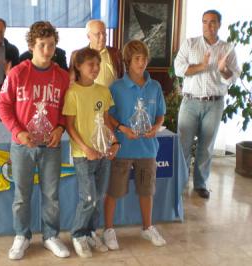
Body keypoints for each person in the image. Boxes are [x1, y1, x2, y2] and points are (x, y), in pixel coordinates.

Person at [0, 21, 70, 260]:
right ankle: (22, 235)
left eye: (51, 45)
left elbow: (69, 109)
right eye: (41, 45)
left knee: (51, 195)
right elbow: (3, 105)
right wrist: (18, 132)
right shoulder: (18, 72)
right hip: (22, 145)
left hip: (51, 146)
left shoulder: (62, 76)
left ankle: (50, 236)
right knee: (22, 195)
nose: (47, 51)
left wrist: (60, 128)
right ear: (31, 45)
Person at [103, 40, 167, 249]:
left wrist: (156, 128)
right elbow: (108, 117)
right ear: (128, 62)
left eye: (144, 58)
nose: (141, 63)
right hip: (122, 148)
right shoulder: (117, 87)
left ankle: (147, 227)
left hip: (147, 149)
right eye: (137, 59)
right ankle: (109, 230)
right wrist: (122, 128)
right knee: (114, 191)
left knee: (146, 190)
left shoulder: (155, 86)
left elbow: (160, 115)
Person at [174, 10, 240, 199]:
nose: (208, 26)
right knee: (183, 145)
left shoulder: (227, 48)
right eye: (204, 22)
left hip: (214, 104)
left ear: (219, 24)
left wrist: (224, 69)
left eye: (212, 22)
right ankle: (179, 183)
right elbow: (178, 69)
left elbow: (232, 78)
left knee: (207, 146)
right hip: (190, 102)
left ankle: (200, 184)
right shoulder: (190, 44)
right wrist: (202, 66)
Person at [62, 47, 119, 258]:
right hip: (83, 155)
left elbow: (106, 120)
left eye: (98, 64)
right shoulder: (73, 93)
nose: (95, 69)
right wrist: (86, 148)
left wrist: (114, 143)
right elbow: (69, 126)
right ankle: (78, 234)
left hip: (103, 154)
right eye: (90, 65)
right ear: (78, 66)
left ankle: (92, 232)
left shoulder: (103, 91)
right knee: (88, 198)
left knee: (100, 196)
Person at [71, 19, 124, 87]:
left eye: (104, 33)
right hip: (86, 96)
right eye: (98, 34)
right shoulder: (77, 55)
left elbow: (121, 78)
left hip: (111, 96)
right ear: (88, 36)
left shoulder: (115, 53)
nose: (102, 37)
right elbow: (72, 81)